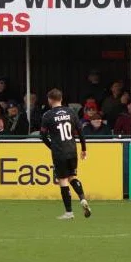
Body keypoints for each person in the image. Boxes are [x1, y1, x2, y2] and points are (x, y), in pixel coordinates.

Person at [39, 89, 92, 220]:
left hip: (59, 152)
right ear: (61, 99)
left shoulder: (48, 115)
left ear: (50, 100)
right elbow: (80, 131)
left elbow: (43, 136)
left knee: (63, 180)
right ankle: (83, 199)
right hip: (72, 150)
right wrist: (84, 149)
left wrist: (52, 147)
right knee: (72, 177)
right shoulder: (71, 112)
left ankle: (69, 212)